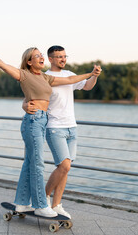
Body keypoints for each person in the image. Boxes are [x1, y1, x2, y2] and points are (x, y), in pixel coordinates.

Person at [0, 37, 101, 217]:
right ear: (29, 62)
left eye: (41, 55)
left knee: (30, 162)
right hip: (33, 121)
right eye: (36, 56)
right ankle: (40, 205)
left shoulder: (46, 78)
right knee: (38, 163)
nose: (40, 57)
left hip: (42, 121)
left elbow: (71, 79)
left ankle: (21, 203)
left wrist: (91, 74)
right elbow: (2, 65)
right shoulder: (24, 75)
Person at [22, 45, 100, 219]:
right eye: (59, 57)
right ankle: (42, 199)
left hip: (72, 127)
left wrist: (94, 76)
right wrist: (25, 105)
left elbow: (87, 86)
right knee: (64, 165)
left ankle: (56, 205)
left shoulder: (69, 74)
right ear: (50, 59)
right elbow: (30, 97)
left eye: (65, 56)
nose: (63, 59)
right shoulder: (44, 77)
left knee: (65, 168)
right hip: (54, 127)